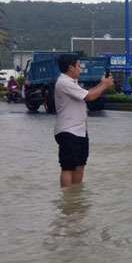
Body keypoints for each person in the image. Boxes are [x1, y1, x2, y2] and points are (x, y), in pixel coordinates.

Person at [54, 53, 113, 187]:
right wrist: (104, 86)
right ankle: (67, 200)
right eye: (79, 66)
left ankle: (75, 196)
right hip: (68, 131)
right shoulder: (64, 82)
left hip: (79, 131)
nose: (80, 69)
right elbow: (89, 97)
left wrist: (102, 83)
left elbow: (86, 93)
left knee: (80, 165)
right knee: (68, 167)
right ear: (71, 68)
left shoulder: (71, 82)